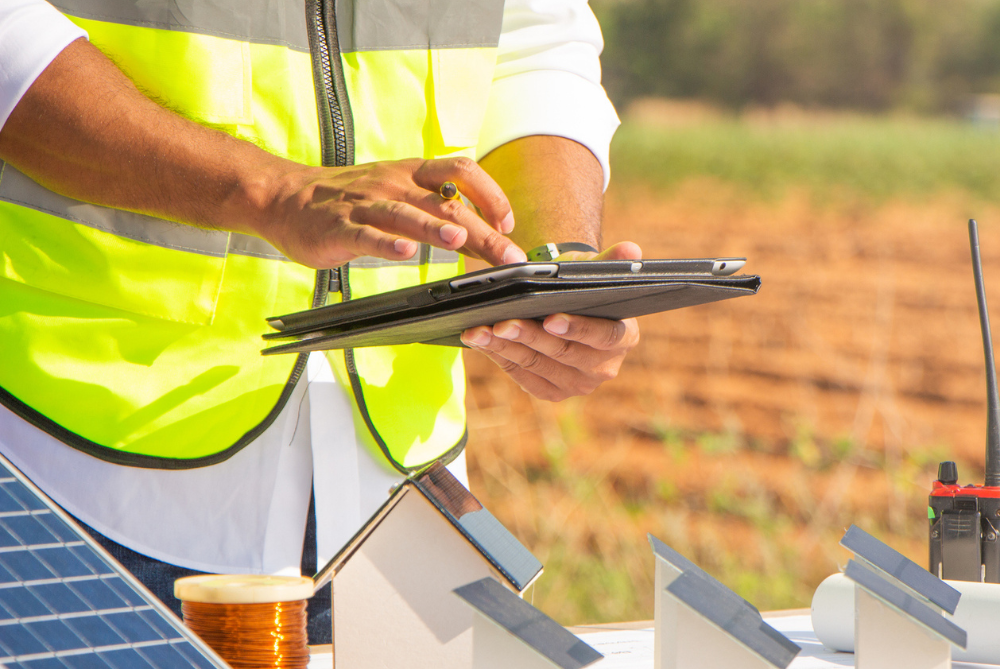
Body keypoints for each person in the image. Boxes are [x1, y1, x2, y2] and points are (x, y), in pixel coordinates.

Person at [0, 0, 641, 642]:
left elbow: (536, 46)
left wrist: (558, 270)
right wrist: (268, 189)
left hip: (400, 496)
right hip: (71, 468)